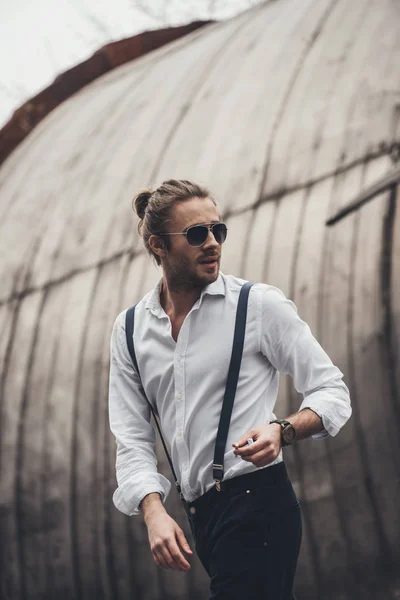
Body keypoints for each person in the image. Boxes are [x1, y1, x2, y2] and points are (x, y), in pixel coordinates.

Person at [108, 179, 351, 599]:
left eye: (218, 231)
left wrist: (284, 429)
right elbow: (131, 437)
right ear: (158, 245)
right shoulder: (130, 331)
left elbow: (332, 391)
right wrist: (152, 511)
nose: (213, 244)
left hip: (259, 503)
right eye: (197, 234)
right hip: (201, 515)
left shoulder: (257, 306)